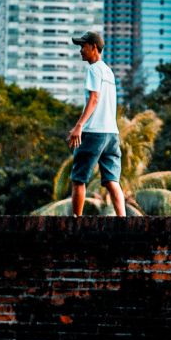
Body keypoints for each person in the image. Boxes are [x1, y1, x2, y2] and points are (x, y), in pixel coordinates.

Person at [67, 31, 126, 217]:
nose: (81, 50)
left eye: (83, 46)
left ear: (94, 47)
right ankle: (122, 219)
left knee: (78, 178)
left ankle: (76, 221)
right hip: (111, 134)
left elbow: (94, 98)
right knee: (111, 180)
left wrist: (79, 126)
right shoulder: (108, 70)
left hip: (94, 132)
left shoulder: (93, 69)